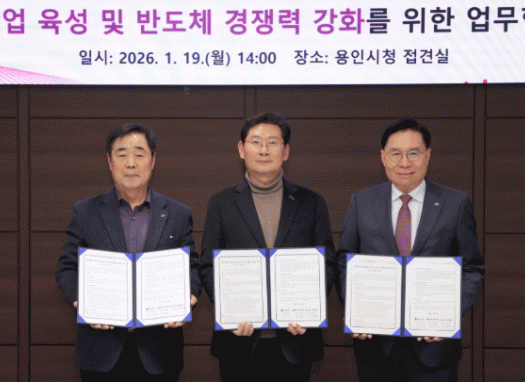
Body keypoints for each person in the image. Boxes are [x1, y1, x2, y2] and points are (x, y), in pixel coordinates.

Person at [337, 117, 485, 382]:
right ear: (383, 157)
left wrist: (449, 315)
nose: (404, 163)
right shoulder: (362, 202)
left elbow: (472, 267)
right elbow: (344, 262)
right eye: (395, 154)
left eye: (413, 153)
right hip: (376, 348)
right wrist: (356, 312)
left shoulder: (455, 203)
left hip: (435, 350)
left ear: (427, 156)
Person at [56, 123, 200, 382]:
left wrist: (188, 297)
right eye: (122, 155)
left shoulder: (178, 214)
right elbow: (67, 268)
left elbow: (192, 268)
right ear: (109, 162)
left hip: (160, 353)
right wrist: (82, 302)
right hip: (101, 351)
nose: (131, 163)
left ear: (153, 161)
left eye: (139, 154)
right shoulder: (86, 212)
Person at [200, 112, 337, 382]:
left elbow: (327, 264)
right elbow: (208, 266)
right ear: (242, 149)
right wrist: (231, 311)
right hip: (239, 340)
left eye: (273, 142)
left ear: (285, 151)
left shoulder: (311, 202)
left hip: (295, 339)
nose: (264, 150)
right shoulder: (221, 202)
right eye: (256, 142)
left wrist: (310, 310)